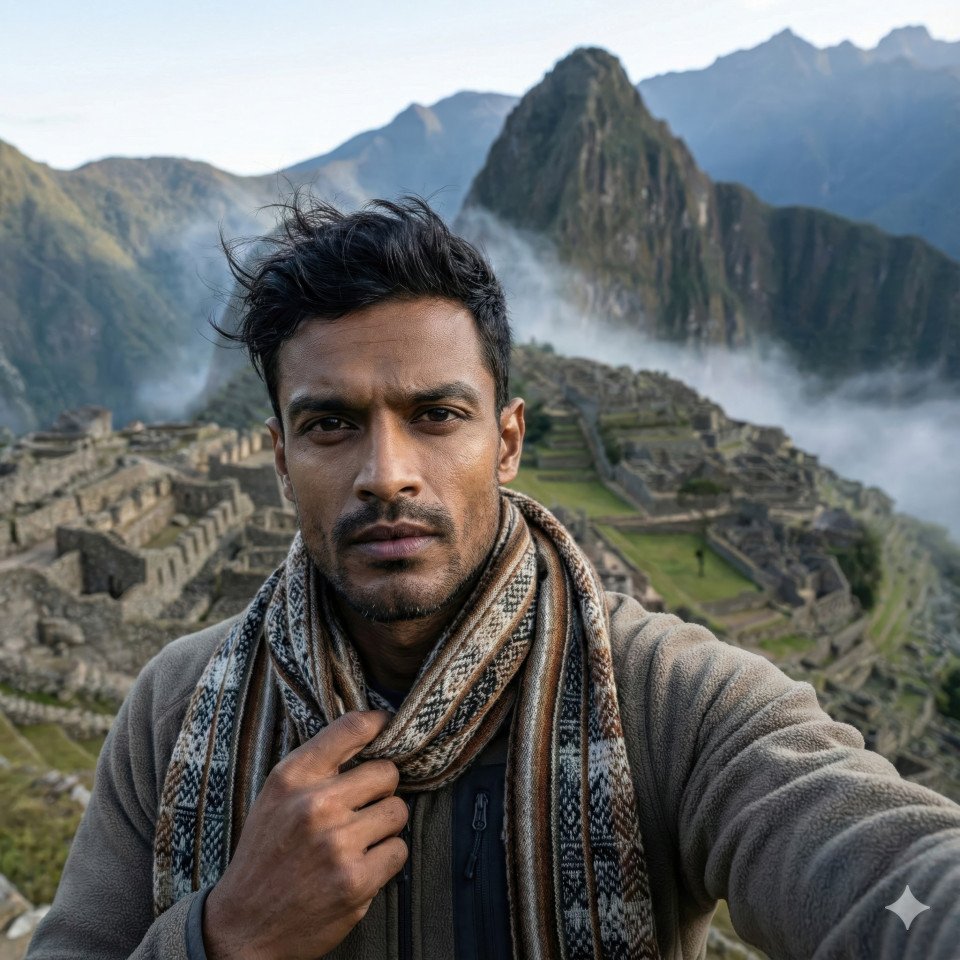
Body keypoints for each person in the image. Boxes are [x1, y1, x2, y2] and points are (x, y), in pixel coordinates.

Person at [27, 197, 960, 960]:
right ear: (277, 457)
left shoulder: (671, 702)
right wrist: (222, 937)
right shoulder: (174, 710)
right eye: (329, 425)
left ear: (505, 441)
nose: (386, 471)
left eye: (435, 415)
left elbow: (884, 867)